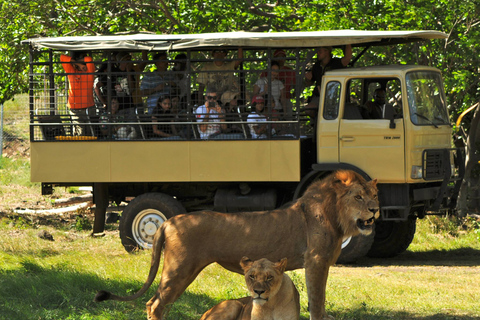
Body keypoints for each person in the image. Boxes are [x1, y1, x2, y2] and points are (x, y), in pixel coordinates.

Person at [304, 45, 352, 117]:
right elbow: (310, 83)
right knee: (308, 109)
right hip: (319, 96)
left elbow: (347, 58)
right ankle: (318, 121)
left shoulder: (336, 63)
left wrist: (348, 42)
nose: (318, 53)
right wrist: (308, 79)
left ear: (327, 52)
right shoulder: (316, 66)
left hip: (335, 97)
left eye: (320, 51)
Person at [60, 51, 96, 136]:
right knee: (79, 133)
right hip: (75, 108)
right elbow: (62, 57)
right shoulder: (71, 70)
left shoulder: (89, 71)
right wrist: (78, 63)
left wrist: (80, 63)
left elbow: (89, 59)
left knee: (91, 132)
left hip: (89, 106)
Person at [260, 49, 296, 117]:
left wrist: (293, 95)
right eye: (278, 57)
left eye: (282, 57)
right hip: (269, 98)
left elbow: (296, 85)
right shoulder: (265, 72)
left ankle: (287, 124)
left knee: (288, 110)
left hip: (285, 97)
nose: (280, 59)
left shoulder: (290, 71)